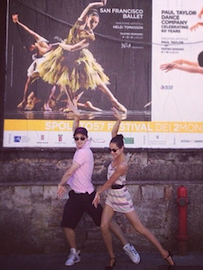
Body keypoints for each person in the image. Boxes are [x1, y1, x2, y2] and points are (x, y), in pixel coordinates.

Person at [57, 102, 139, 267]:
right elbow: (76, 129)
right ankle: (74, 253)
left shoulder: (84, 152)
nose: (79, 140)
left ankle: (127, 246)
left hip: (88, 196)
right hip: (75, 195)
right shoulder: (81, 147)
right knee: (66, 224)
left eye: (82, 138)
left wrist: (60, 184)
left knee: (107, 222)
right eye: (77, 138)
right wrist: (77, 116)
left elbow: (69, 172)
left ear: (86, 140)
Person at [92, 108, 175, 269]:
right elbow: (115, 133)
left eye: (114, 150)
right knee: (103, 226)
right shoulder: (115, 152)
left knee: (139, 228)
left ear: (122, 149)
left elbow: (110, 182)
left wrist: (98, 192)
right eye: (110, 150)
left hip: (121, 196)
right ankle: (112, 257)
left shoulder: (123, 165)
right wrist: (119, 120)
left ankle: (164, 253)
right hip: (111, 197)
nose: (112, 152)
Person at [36, 0, 127, 113]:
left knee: (97, 81)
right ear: (86, 18)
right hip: (64, 56)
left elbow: (73, 48)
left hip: (78, 57)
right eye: (92, 21)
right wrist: (100, 4)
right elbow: (89, 6)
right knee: (66, 81)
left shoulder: (90, 36)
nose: (93, 25)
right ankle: (72, 105)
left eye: (96, 23)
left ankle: (115, 102)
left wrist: (60, 44)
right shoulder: (78, 25)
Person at [12, 14, 58, 111]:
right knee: (28, 81)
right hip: (38, 64)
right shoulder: (40, 41)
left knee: (53, 83)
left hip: (47, 66)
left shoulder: (52, 50)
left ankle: (45, 104)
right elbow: (29, 31)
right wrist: (18, 23)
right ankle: (24, 100)